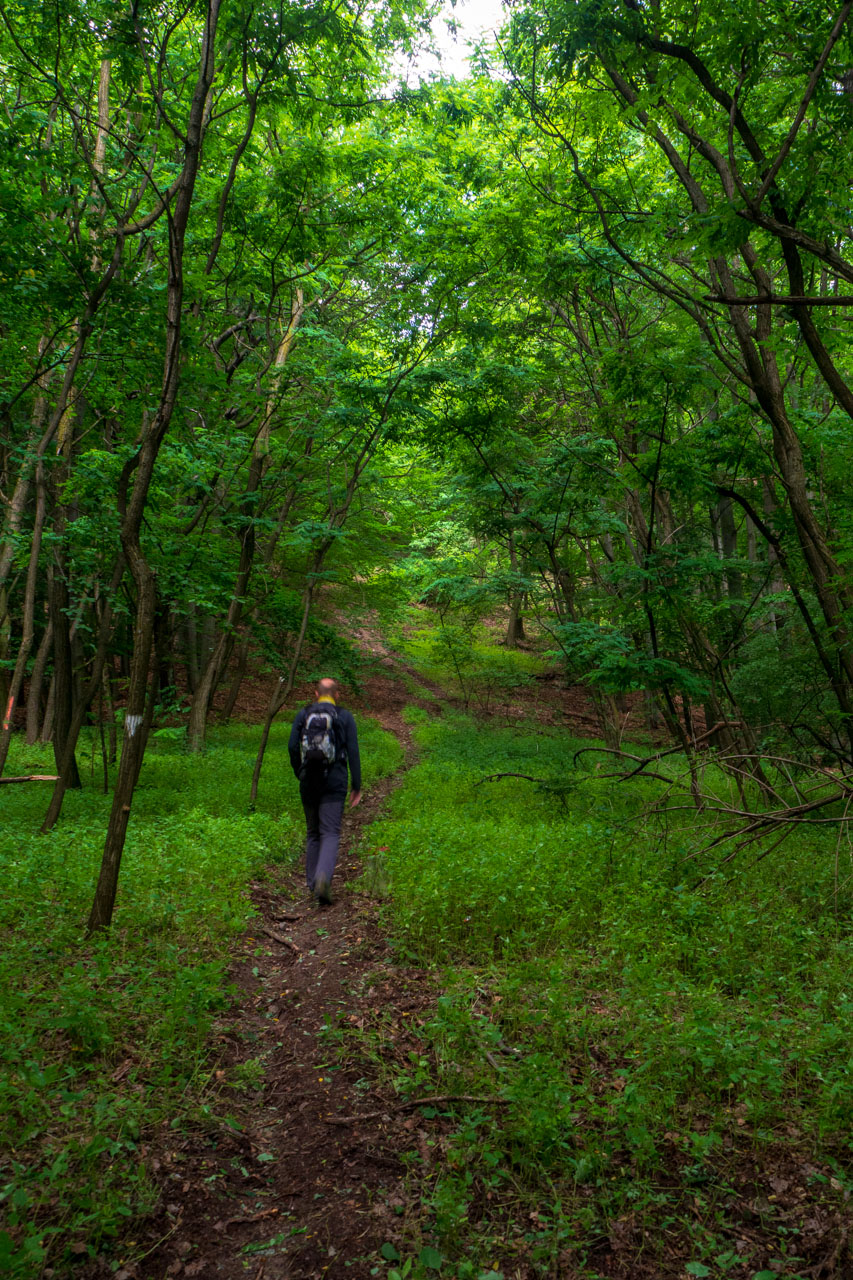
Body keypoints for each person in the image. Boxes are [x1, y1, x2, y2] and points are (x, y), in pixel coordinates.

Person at [288, 678, 362, 905]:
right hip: (334, 781)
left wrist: (299, 771)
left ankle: (313, 884)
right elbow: (352, 751)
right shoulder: (344, 716)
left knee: (313, 833)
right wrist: (356, 785)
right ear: (337, 695)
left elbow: (292, 746)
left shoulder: (303, 714)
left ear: (316, 694)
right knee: (330, 832)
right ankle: (323, 878)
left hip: (308, 781)